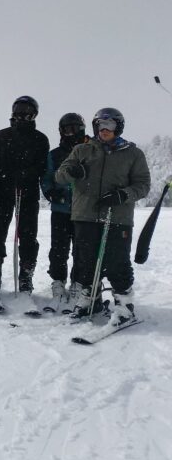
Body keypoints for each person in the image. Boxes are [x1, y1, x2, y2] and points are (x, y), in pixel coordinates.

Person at [56, 108, 150, 326]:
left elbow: (143, 185)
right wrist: (72, 172)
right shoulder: (82, 149)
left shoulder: (133, 154)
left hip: (117, 217)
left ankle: (124, 306)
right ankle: (90, 300)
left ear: (119, 127)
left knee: (117, 262)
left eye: (110, 125)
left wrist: (123, 195)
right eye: (100, 125)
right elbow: (60, 176)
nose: (104, 130)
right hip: (85, 215)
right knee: (85, 262)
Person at [0, 96, 50, 293]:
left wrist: (27, 176)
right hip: (3, 194)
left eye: (27, 112)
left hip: (28, 194)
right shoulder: (1, 136)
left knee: (28, 236)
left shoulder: (40, 139)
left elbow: (42, 166)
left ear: (34, 114)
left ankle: (26, 274)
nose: (22, 115)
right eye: (19, 111)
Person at [39, 113, 88, 302]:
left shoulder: (90, 151)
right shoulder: (55, 154)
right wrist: (51, 193)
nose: (70, 133)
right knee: (59, 248)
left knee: (81, 249)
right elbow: (46, 177)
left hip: (84, 210)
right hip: (61, 209)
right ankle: (58, 280)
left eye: (74, 129)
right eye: (66, 129)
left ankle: (78, 282)